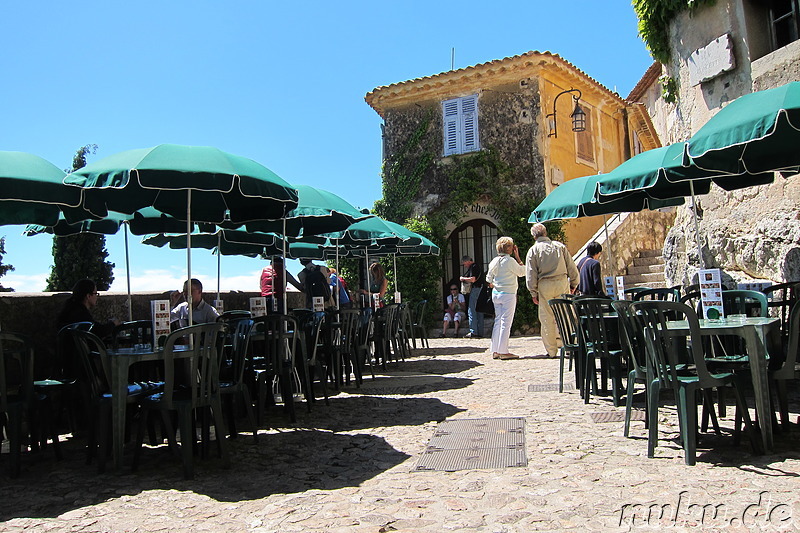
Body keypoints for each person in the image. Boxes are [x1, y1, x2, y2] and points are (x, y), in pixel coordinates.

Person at [525, 223, 579, 358]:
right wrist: (574, 283)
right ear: (545, 233)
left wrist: (533, 292)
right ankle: (569, 345)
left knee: (546, 318)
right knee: (566, 315)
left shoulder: (533, 250)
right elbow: (571, 266)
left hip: (545, 284)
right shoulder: (559, 246)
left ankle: (551, 351)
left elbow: (531, 274)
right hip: (561, 281)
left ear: (534, 236)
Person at [485, 237, 526, 360]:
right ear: (510, 248)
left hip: (496, 293)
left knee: (498, 321)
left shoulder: (494, 261)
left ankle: (496, 350)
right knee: (506, 322)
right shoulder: (510, 261)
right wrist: (518, 257)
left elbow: (488, 279)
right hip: (508, 293)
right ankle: (503, 350)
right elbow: (522, 272)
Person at [459, 255, 485, 338]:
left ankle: (473, 331)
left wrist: (463, 278)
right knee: (479, 311)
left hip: (476, 289)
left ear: (468, 261)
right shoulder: (478, 266)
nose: (464, 265)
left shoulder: (473, 267)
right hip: (481, 289)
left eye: (464, 263)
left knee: (472, 310)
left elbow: (473, 279)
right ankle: (480, 332)